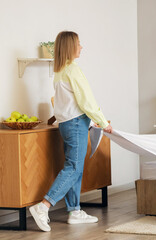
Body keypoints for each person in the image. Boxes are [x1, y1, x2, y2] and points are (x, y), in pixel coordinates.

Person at [29, 31, 113, 232]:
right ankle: (43, 206)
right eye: (78, 44)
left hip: (68, 124)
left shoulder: (60, 71)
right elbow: (86, 100)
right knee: (74, 167)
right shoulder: (73, 70)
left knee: (75, 167)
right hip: (76, 124)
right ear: (70, 47)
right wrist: (102, 121)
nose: (81, 47)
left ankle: (74, 211)